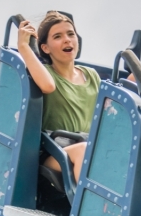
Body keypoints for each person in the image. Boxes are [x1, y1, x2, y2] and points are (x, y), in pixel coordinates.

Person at [17, 12, 99, 183]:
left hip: (88, 146)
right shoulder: (45, 73)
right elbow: (48, 86)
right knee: (84, 151)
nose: (67, 40)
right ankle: (90, 209)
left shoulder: (91, 75)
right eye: (58, 36)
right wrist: (24, 47)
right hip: (54, 151)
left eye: (71, 34)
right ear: (45, 48)